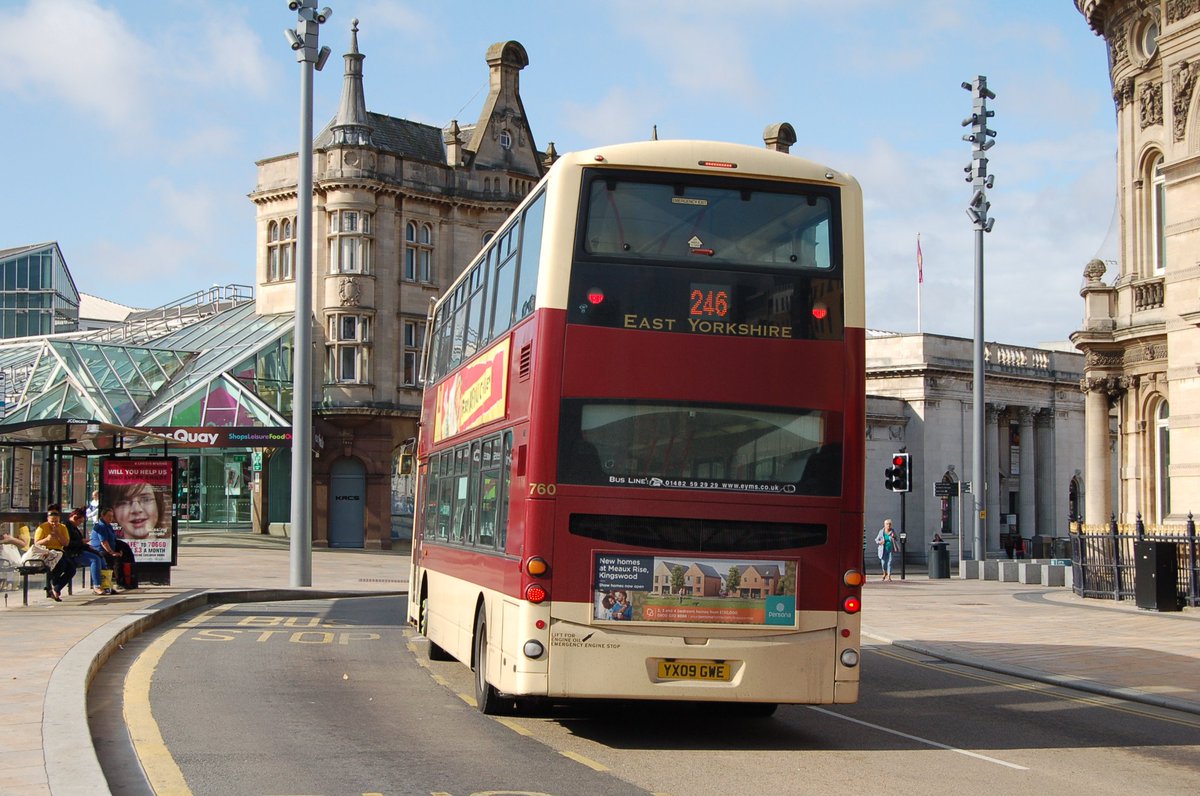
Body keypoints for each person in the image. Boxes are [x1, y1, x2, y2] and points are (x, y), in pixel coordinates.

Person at [33, 507, 77, 601]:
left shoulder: (62, 527)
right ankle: (54, 588)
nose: (54, 523)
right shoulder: (42, 527)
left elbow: (66, 543)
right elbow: (36, 543)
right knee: (61, 565)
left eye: (56, 521)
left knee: (71, 569)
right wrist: (47, 539)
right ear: (48, 520)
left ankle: (56, 588)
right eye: (52, 521)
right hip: (47, 551)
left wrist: (58, 534)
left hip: (59, 551)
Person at [65, 507, 110, 595]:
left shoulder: (74, 528)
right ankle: (97, 585)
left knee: (100, 557)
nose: (79, 524)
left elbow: (79, 542)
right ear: (74, 517)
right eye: (79, 522)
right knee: (95, 559)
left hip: (79, 550)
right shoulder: (67, 527)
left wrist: (88, 546)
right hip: (73, 553)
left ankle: (105, 585)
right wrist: (82, 542)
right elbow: (68, 543)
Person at [91, 506, 136, 590]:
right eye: (108, 516)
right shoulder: (100, 526)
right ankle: (120, 583)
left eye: (112, 516)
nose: (111, 518)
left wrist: (120, 549)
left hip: (110, 548)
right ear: (102, 516)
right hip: (101, 550)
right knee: (116, 560)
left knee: (124, 554)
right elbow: (104, 542)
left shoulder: (108, 526)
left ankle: (129, 579)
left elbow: (113, 539)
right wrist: (112, 552)